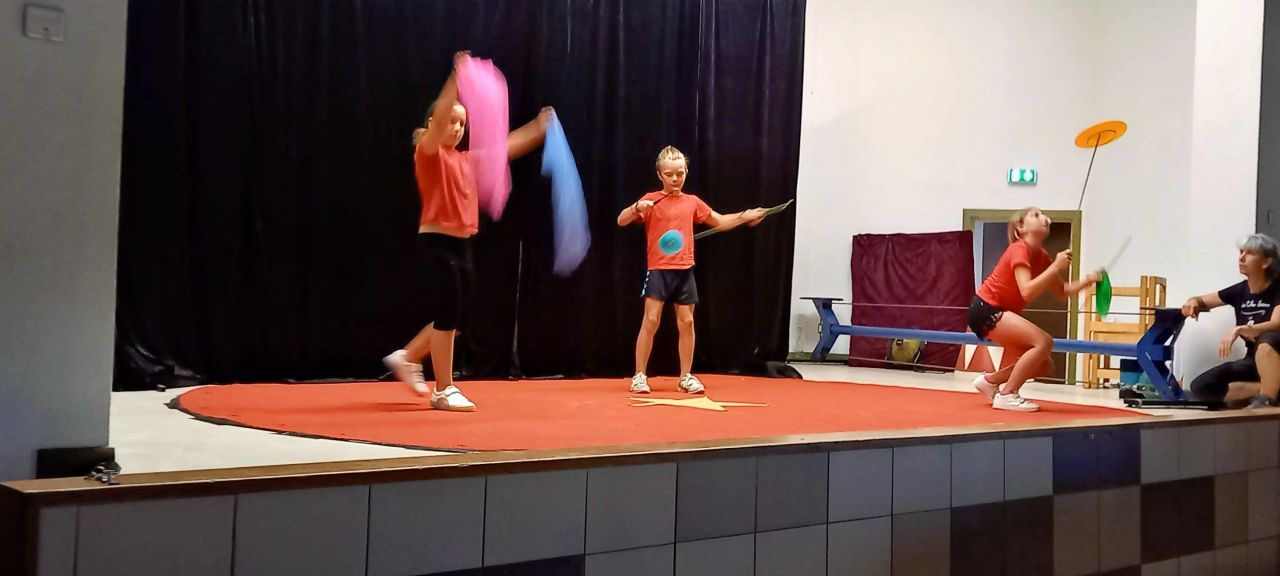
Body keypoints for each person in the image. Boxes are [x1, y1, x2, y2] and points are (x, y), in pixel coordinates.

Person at [383, 52, 553, 411]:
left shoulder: (466, 161)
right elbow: (443, 110)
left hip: (463, 246)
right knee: (448, 315)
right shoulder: (428, 152)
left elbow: (506, 147)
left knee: (456, 320)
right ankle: (443, 389)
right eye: (451, 122)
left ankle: (407, 356)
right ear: (434, 124)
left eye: (463, 123)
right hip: (438, 243)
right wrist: (457, 80)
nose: (458, 128)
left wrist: (539, 128)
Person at [616, 145, 769, 394]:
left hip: (684, 270)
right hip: (659, 269)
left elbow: (719, 221)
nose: (675, 178)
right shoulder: (651, 200)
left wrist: (745, 216)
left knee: (687, 322)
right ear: (659, 174)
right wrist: (636, 208)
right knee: (651, 320)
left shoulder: (692, 202)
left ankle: (685, 377)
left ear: (686, 171)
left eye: (680, 173)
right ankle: (640, 375)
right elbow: (621, 220)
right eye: (669, 174)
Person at [968, 207, 1099, 412]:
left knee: (1043, 364)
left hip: (997, 311)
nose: (1044, 218)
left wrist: (1088, 281)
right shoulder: (1019, 249)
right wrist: (1055, 267)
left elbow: (1062, 291)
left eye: (1043, 214)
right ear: (1021, 227)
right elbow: (1027, 290)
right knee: (1044, 342)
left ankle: (989, 381)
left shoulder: (1042, 256)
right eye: (1035, 215)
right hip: (986, 308)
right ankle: (1007, 394)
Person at [1182, 233, 1280, 408]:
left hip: (1275, 356)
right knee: (1201, 386)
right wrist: (1193, 302)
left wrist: (1240, 329)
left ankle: (1268, 399)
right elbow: (1202, 300)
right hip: (1252, 361)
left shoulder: (1277, 288)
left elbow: (1276, 323)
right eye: (1241, 252)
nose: (1241, 258)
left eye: (1250, 253)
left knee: (1267, 339)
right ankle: (1267, 389)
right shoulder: (1239, 291)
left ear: (1266, 262)